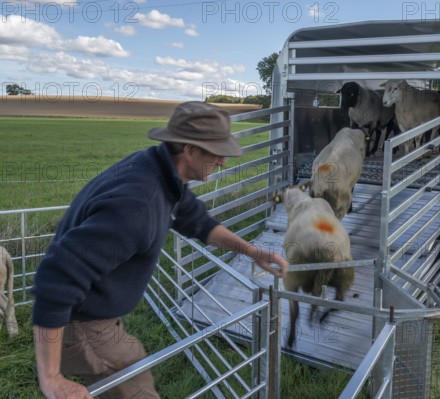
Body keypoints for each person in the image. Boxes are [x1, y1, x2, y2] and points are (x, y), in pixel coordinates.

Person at [31, 101, 288, 399]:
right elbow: (57, 279)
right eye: (217, 153)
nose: (222, 163)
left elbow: (196, 220)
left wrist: (253, 252)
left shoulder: (159, 170)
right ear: (189, 150)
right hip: (84, 324)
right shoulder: (138, 204)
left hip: (95, 315)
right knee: (137, 388)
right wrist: (50, 377)